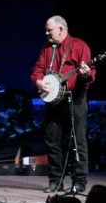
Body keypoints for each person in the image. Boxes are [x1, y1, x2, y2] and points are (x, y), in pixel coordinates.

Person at [31, 15, 95, 193]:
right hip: (54, 101)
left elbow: (90, 76)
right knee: (52, 140)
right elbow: (38, 69)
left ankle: (79, 181)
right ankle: (55, 180)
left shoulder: (79, 46)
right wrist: (38, 81)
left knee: (77, 140)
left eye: (49, 30)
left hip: (75, 98)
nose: (46, 33)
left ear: (61, 29)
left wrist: (86, 74)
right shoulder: (47, 48)